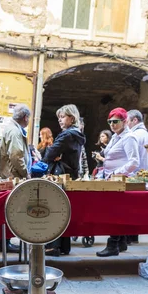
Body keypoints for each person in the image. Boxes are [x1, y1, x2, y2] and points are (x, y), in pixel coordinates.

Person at [96, 107, 140, 258]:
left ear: (125, 121)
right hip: (111, 180)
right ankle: (121, 242)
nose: (112, 125)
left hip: (120, 180)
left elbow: (134, 161)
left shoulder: (129, 138)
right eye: (110, 121)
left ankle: (113, 243)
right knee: (117, 211)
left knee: (115, 212)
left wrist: (115, 172)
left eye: (116, 121)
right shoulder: (116, 136)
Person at [43, 104, 85, 256]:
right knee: (64, 210)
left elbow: (49, 154)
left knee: (55, 209)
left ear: (71, 118)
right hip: (70, 175)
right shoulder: (76, 134)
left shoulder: (67, 135)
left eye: (62, 117)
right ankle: (64, 246)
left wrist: (53, 154)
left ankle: (52, 246)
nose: (60, 120)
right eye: (59, 117)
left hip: (60, 176)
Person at [0, 104, 32, 254]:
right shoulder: (15, 131)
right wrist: (25, 173)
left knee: (9, 209)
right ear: (26, 118)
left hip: (9, 175)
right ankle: (5, 242)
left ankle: (2, 242)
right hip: (13, 177)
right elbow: (16, 155)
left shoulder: (11, 128)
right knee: (12, 210)